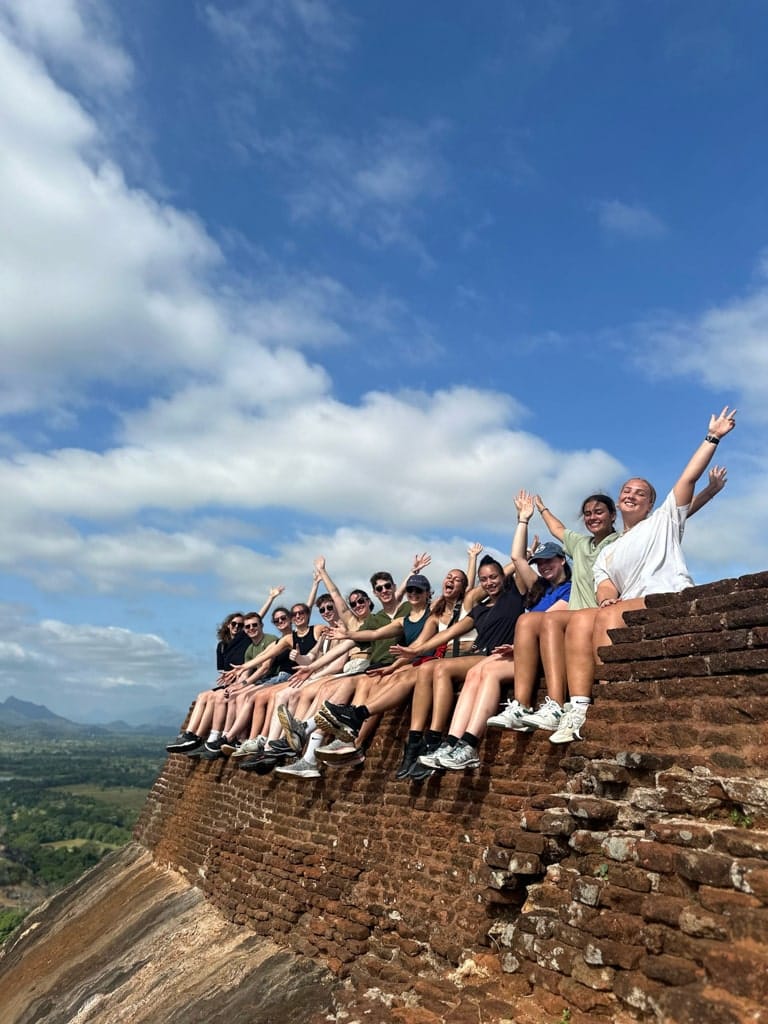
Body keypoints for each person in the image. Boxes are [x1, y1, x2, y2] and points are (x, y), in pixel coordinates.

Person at [491, 466, 728, 735]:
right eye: (588, 513)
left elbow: (677, 513)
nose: (593, 517)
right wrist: (538, 511)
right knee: (528, 621)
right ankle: (533, 706)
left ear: (613, 515)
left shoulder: (627, 536)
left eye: (599, 512)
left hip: (599, 612)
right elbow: (557, 529)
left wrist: (709, 491)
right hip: (587, 611)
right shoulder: (581, 544)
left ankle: (590, 702)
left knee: (560, 619)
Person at [548, 407, 736, 744]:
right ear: (619, 502)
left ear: (650, 504)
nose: (631, 494)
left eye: (640, 492)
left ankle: (612, 694)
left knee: (606, 616)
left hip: (669, 597)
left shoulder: (664, 521)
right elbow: (605, 583)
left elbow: (687, 479)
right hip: (631, 605)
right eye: (626, 490)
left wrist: (713, 437)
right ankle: (578, 707)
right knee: (581, 619)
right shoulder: (608, 550)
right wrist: (607, 597)